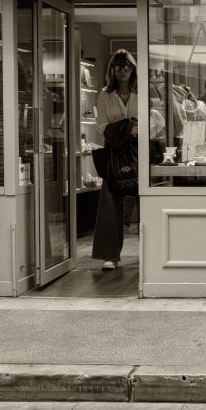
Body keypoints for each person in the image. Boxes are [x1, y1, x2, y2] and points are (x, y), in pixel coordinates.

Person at [93, 50, 140, 270]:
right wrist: (125, 127)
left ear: (133, 69)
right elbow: (101, 125)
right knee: (110, 200)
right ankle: (109, 255)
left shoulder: (143, 91)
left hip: (139, 150)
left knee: (145, 197)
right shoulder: (104, 95)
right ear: (112, 69)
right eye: (118, 66)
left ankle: (150, 253)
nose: (123, 70)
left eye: (127, 66)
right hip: (114, 150)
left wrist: (131, 128)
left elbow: (155, 121)